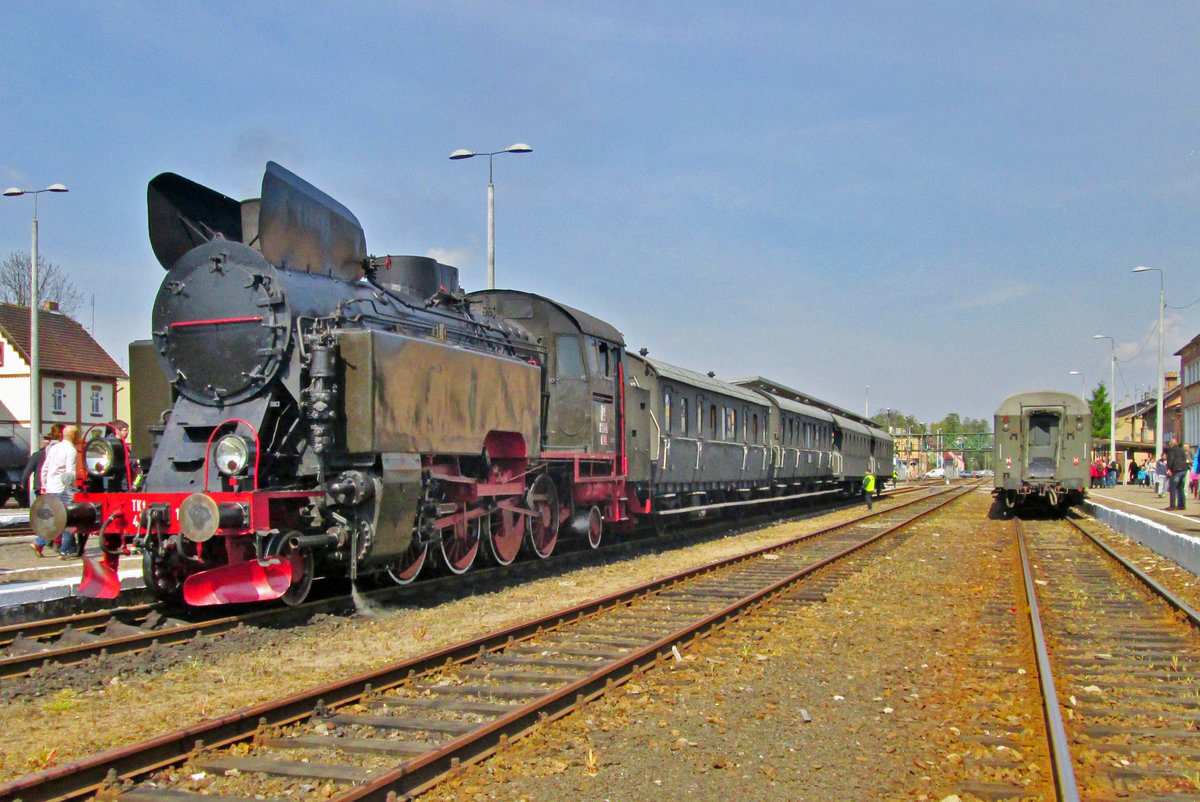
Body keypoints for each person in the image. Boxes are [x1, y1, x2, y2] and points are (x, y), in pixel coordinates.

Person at [37, 425, 82, 559]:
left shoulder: (54, 447)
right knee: (68, 519)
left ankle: (40, 542)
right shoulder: (71, 450)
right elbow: (69, 472)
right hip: (62, 488)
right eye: (78, 435)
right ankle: (65, 549)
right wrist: (72, 488)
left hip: (51, 487)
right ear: (74, 436)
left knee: (55, 518)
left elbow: (45, 467)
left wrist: (44, 485)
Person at [1165, 438, 1189, 511]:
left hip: (1176, 470)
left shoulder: (1172, 450)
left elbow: (1170, 459)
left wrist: (1169, 469)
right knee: (1181, 488)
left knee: (1173, 488)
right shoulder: (1181, 450)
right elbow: (1185, 459)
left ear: (1171, 444)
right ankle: (1182, 505)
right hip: (1184, 470)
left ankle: (1172, 506)